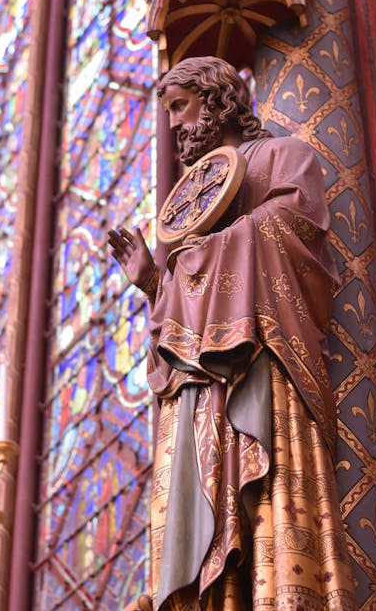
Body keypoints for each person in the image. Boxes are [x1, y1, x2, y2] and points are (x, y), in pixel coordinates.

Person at [108, 57, 356, 610]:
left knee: (264, 495)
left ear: (217, 99)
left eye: (179, 106)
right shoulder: (191, 205)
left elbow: (296, 228)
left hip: (260, 359)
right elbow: (183, 311)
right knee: (193, 523)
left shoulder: (281, 155)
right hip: (197, 389)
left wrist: (197, 260)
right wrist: (155, 280)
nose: (172, 125)